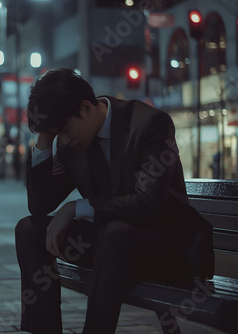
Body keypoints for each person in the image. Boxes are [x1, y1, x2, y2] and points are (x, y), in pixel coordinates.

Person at [15, 68, 214, 334]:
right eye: (56, 135)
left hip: (169, 248)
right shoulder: (70, 145)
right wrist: (43, 141)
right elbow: (40, 206)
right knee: (29, 229)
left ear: (86, 108)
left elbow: (147, 203)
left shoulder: (151, 124)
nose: (63, 139)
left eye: (63, 130)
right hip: (111, 248)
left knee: (114, 233)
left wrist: (75, 208)